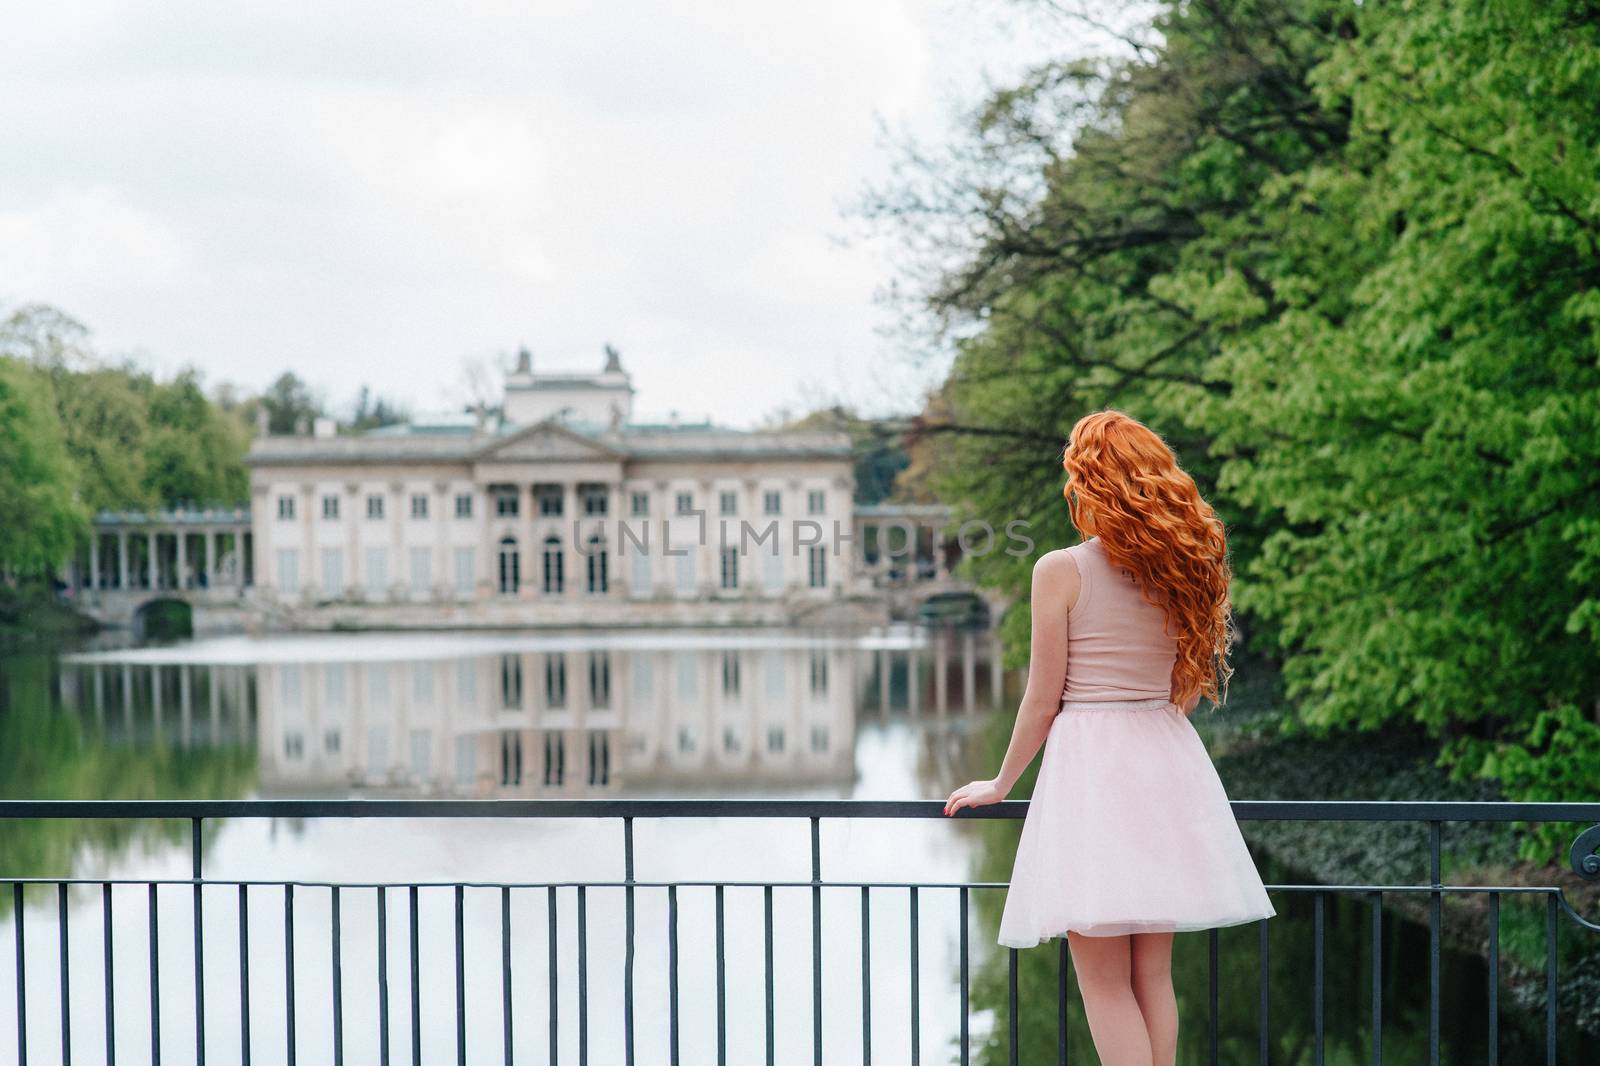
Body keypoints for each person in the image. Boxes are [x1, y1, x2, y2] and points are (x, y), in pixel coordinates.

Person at [943, 409, 1275, 1066]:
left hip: (1094, 770)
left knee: (1102, 980)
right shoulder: (1190, 566)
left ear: (1090, 483)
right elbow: (1183, 686)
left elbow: (1042, 699)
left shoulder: (1060, 570)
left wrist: (1000, 783)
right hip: (1165, 757)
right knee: (1152, 976)